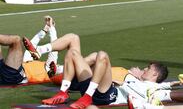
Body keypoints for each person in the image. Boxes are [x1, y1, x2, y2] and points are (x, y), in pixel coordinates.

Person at [42, 49, 174, 109]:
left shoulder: (154, 87)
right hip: (98, 90)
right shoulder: (136, 79)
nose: (145, 69)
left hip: (108, 96)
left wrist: (180, 82)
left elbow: (169, 88)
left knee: (103, 55)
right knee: (72, 53)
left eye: (148, 68)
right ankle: (63, 92)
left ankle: (85, 94)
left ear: (155, 75)